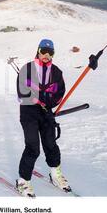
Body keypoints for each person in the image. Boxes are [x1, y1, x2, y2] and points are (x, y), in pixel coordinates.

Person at [16, 39, 71, 197]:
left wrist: (49, 103)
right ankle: (23, 181)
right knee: (33, 147)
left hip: (46, 112)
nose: (46, 55)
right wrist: (36, 99)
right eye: (43, 51)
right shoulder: (27, 69)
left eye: (50, 52)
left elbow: (60, 93)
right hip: (29, 113)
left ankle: (56, 175)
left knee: (51, 144)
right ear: (38, 51)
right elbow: (22, 93)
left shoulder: (56, 72)